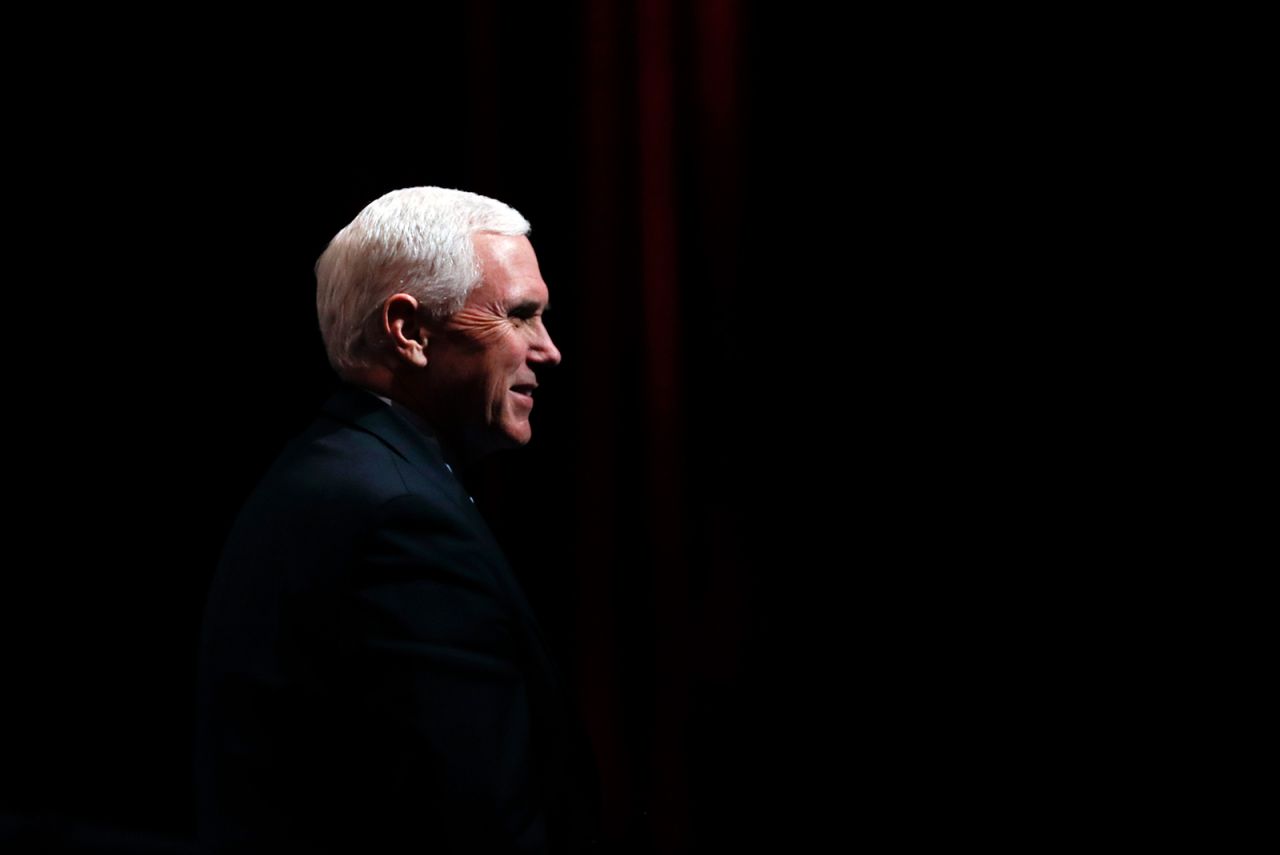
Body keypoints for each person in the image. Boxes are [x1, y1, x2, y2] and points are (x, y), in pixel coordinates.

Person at [196, 187, 601, 853]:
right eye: (521, 316)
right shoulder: (396, 515)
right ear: (409, 331)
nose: (549, 349)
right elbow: (472, 822)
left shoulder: (343, 470)